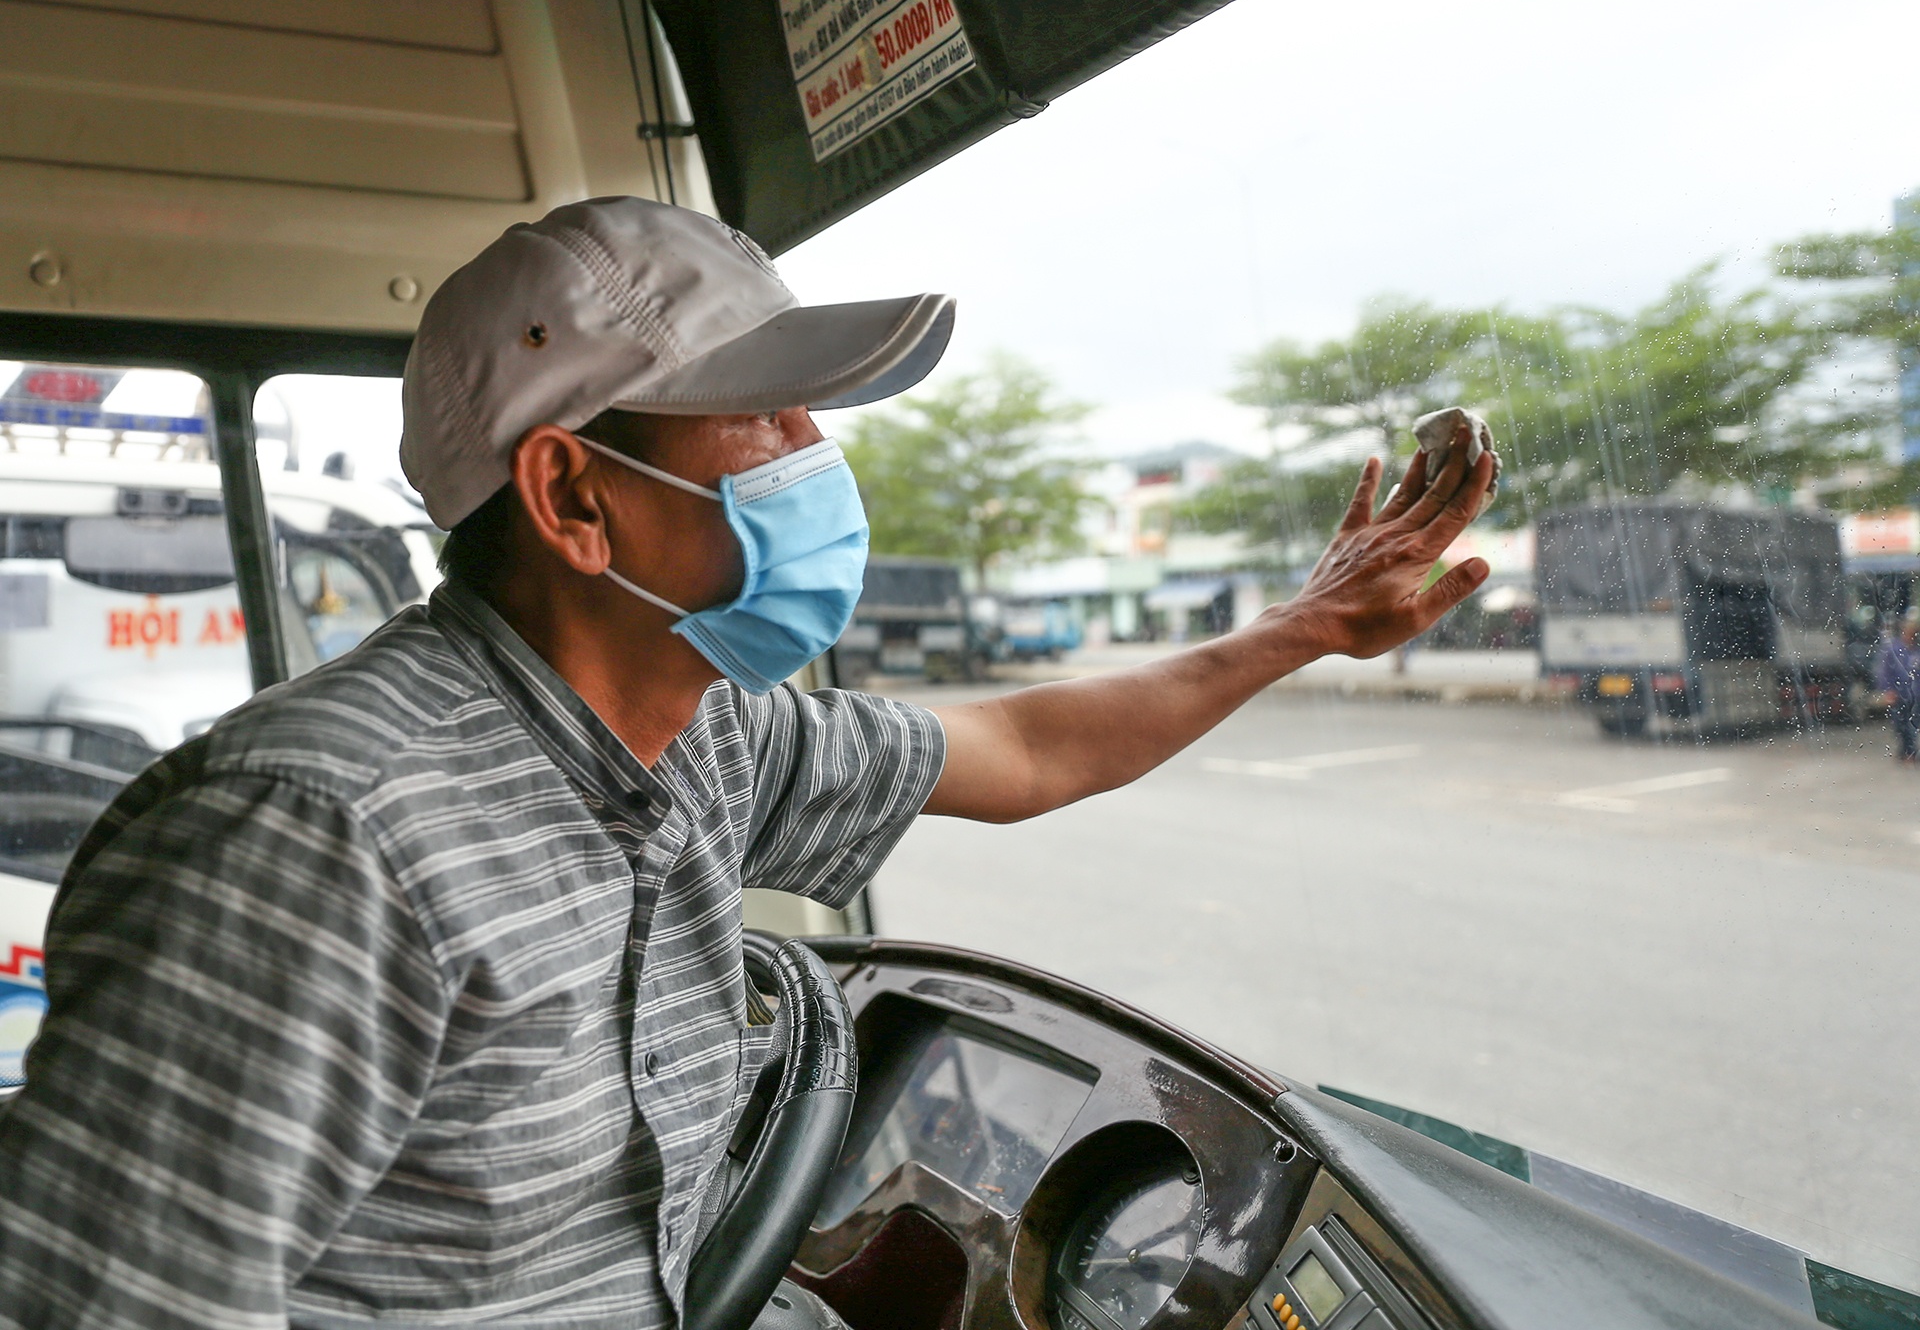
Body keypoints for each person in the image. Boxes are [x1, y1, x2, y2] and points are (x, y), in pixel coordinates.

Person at [0, 198, 1492, 1328]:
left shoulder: (703, 733)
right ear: (574, 496)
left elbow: (1028, 749)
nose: (816, 455)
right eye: (762, 419)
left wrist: (1300, 628)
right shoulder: (315, 841)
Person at [1875, 605, 1920, 763]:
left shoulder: (1916, 650)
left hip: (1915, 695)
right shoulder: (1893, 649)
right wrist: (1887, 690)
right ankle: (1906, 752)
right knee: (1900, 726)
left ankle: (1910, 753)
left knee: (1912, 725)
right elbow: (1884, 671)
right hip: (1898, 693)